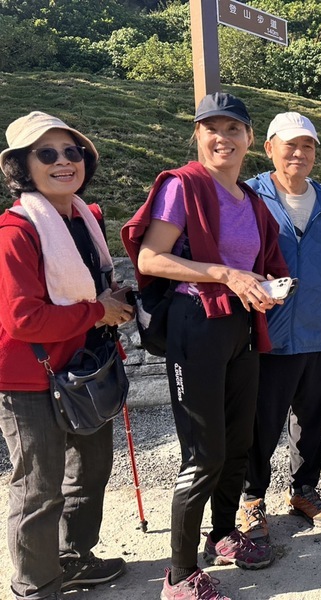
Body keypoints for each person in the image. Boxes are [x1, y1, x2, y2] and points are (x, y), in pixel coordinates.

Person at [122, 92, 289, 600]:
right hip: (196, 325)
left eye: (233, 129)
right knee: (204, 453)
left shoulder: (252, 200)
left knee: (239, 442)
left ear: (249, 139)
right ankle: (178, 574)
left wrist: (265, 288)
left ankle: (222, 535)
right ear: (197, 136)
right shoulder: (183, 185)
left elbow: (261, 265)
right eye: (211, 128)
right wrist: (224, 274)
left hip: (239, 327)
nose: (223, 138)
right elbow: (151, 258)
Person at [0, 111, 133, 599]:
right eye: (47, 154)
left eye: (72, 152)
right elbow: (23, 319)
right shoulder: (16, 232)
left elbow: (89, 288)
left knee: (92, 469)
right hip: (28, 378)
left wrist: (111, 297)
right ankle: (35, 586)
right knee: (38, 487)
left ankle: (74, 557)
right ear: (22, 166)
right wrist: (98, 312)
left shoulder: (85, 218)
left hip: (83, 368)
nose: (63, 162)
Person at [239, 112, 321, 537]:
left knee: (311, 419)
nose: (300, 153)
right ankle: (252, 498)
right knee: (262, 421)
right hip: (269, 334)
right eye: (290, 145)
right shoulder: (249, 196)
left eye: (308, 146)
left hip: (317, 333)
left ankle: (304, 489)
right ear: (269, 147)